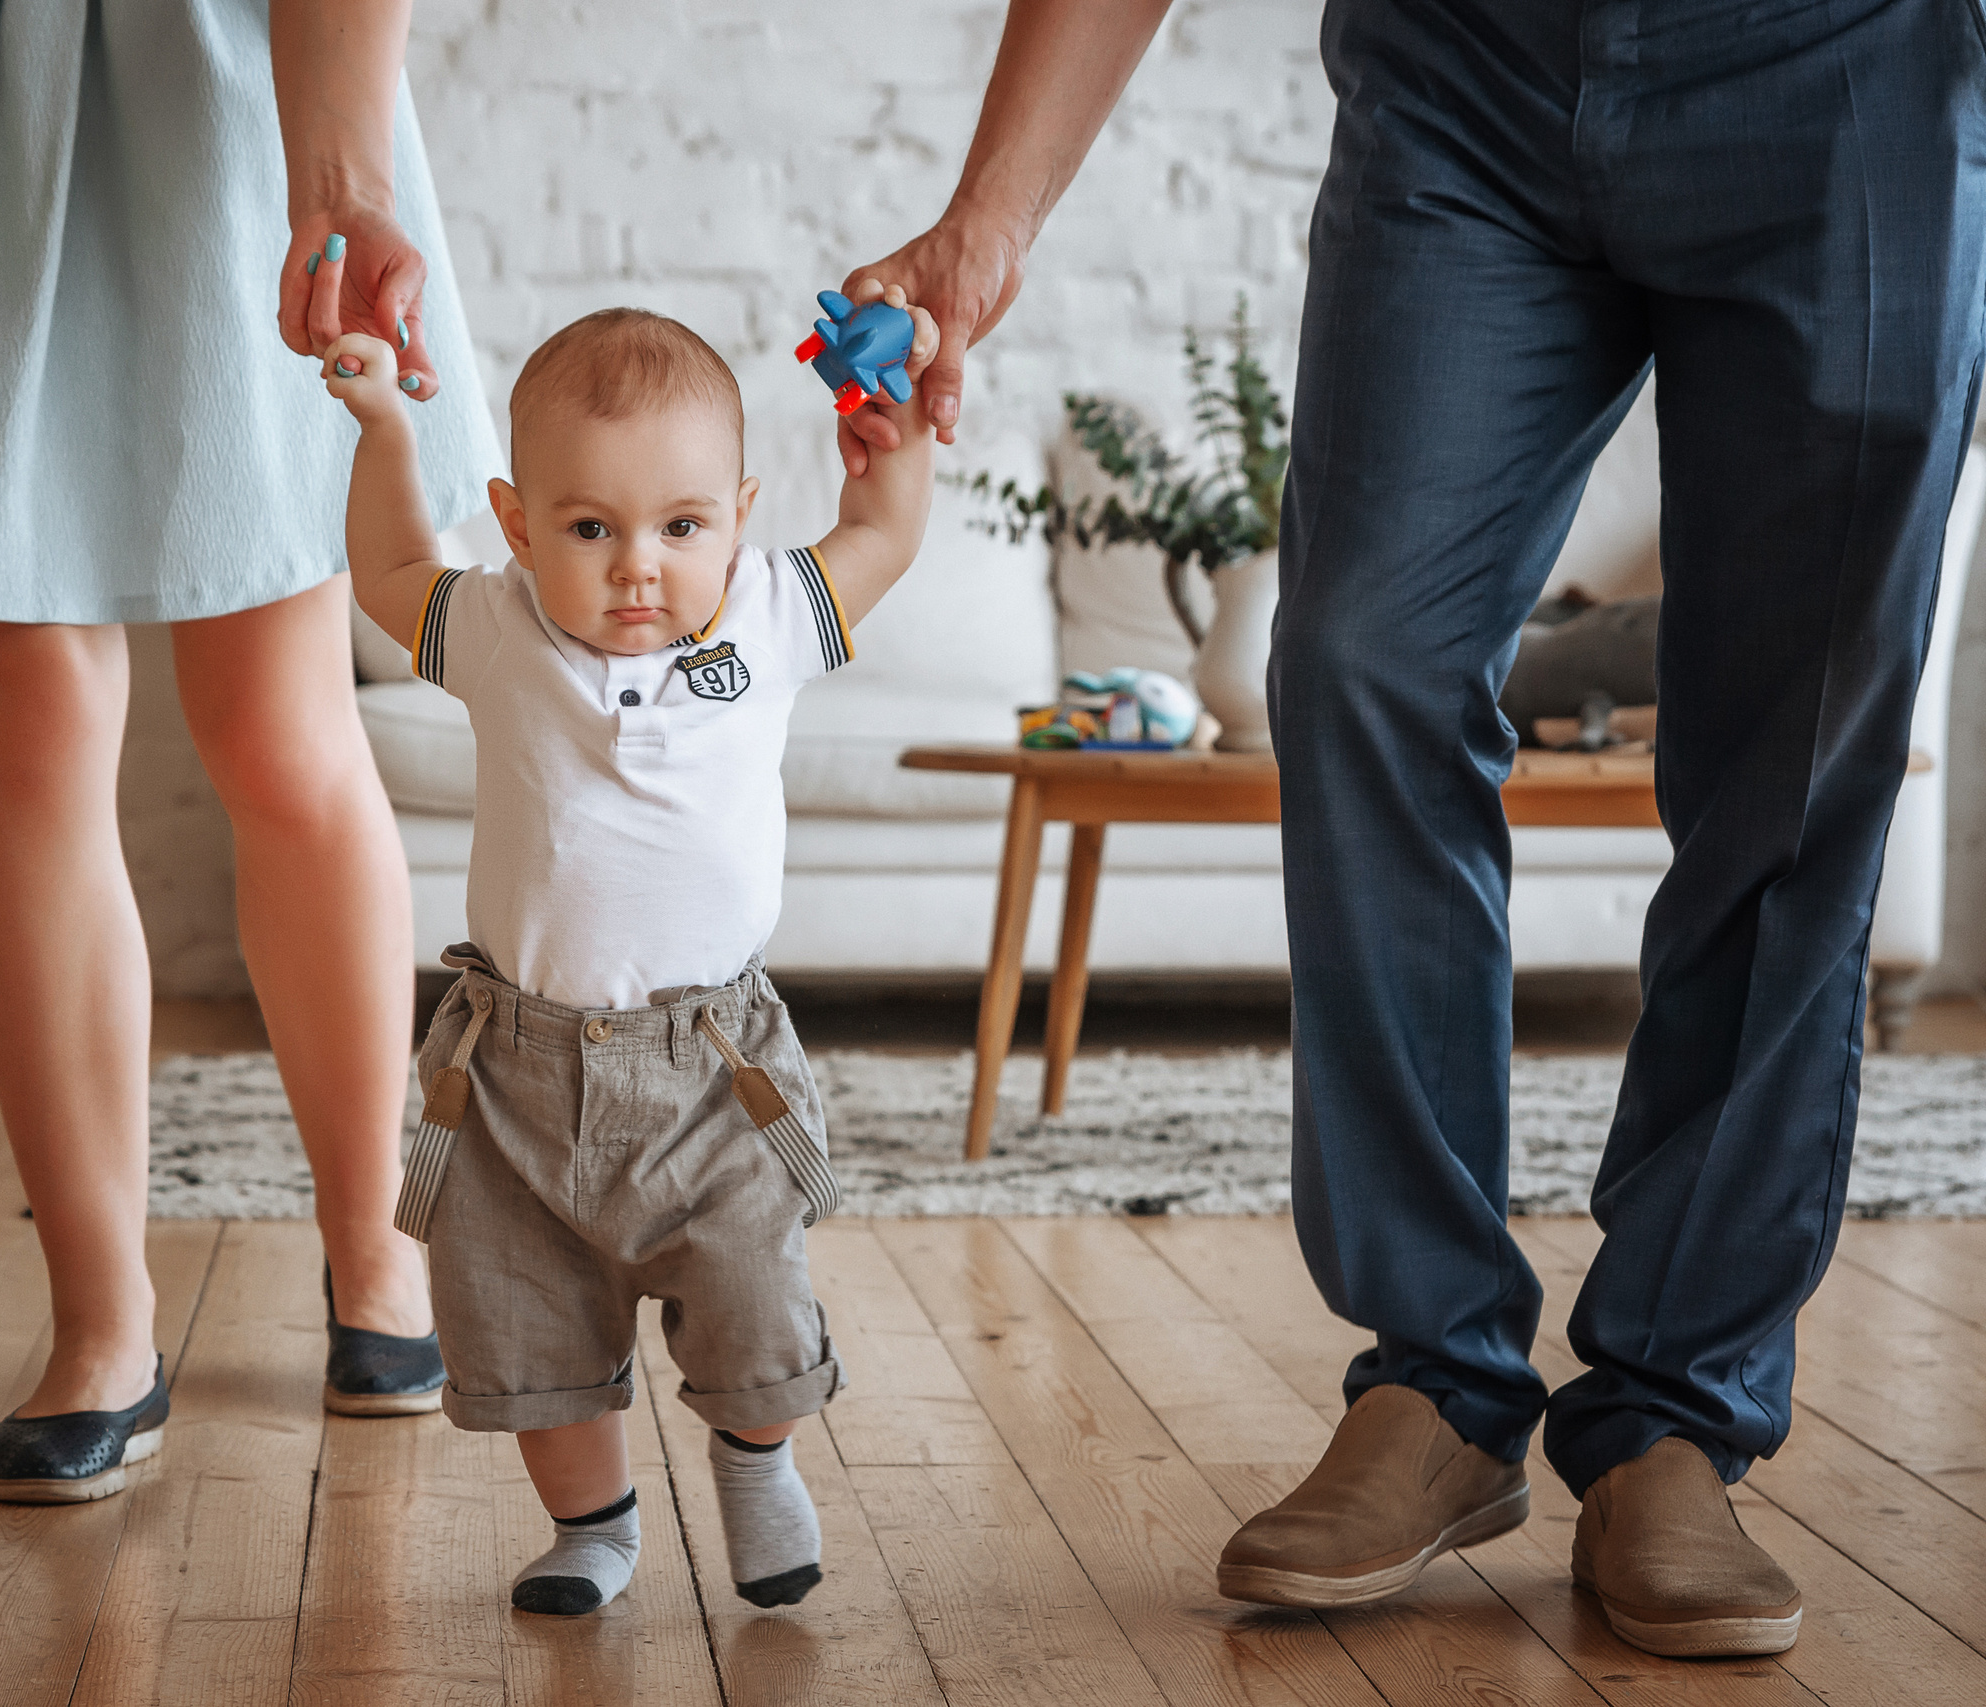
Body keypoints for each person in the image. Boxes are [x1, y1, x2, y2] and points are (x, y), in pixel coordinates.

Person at [843, 0, 1985, 1659]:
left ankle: (1677, 1408)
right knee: (1360, 652)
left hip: (1843, 73)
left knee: (1796, 742)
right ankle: (1438, 1379)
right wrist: (989, 219)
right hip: (1468, 70)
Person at [0, 0, 504, 1501]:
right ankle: (101, 1328)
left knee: (281, 727)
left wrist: (340, 175)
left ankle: (376, 1250)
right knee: (30, 734)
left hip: (215, 80)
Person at [315, 302, 937, 1615]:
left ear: (740, 515)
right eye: (590, 528)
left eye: (681, 526)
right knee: (524, 1316)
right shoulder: (494, 627)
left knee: (752, 1288)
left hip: (712, 1068)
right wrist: (381, 427)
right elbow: (382, 576)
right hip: (516, 1073)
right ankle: (592, 1527)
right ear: (519, 522)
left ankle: (757, 1465)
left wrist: (894, 446)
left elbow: (879, 538)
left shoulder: (769, 614)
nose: (638, 565)